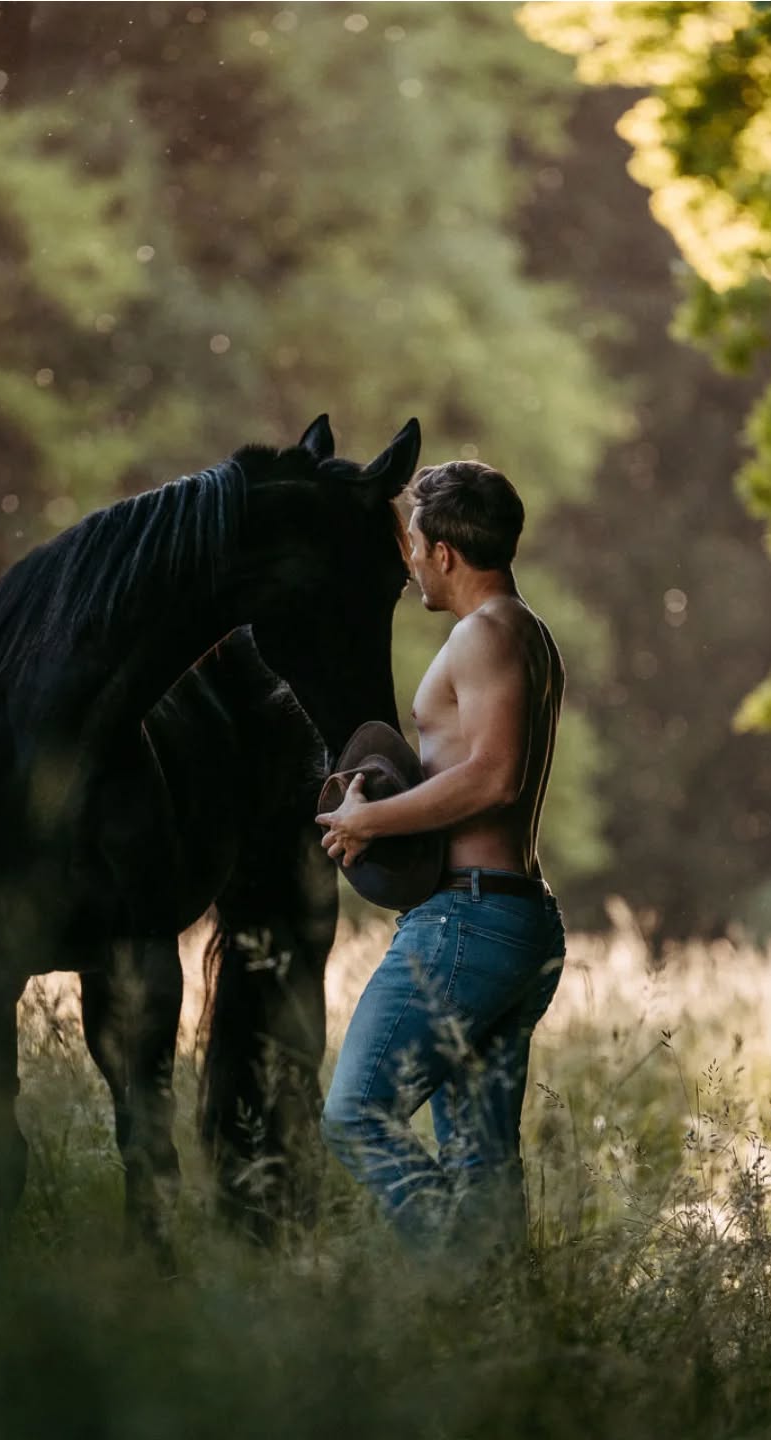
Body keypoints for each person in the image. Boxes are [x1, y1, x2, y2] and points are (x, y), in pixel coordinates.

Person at [315, 459, 567, 1252]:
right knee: (482, 1163)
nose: (410, 559)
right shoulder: (527, 634)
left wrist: (372, 822)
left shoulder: (485, 633)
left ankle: (462, 1275)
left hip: (469, 918)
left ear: (445, 552)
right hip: (508, 917)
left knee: (355, 1114)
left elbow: (493, 777)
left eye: (414, 543)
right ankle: (504, 1343)